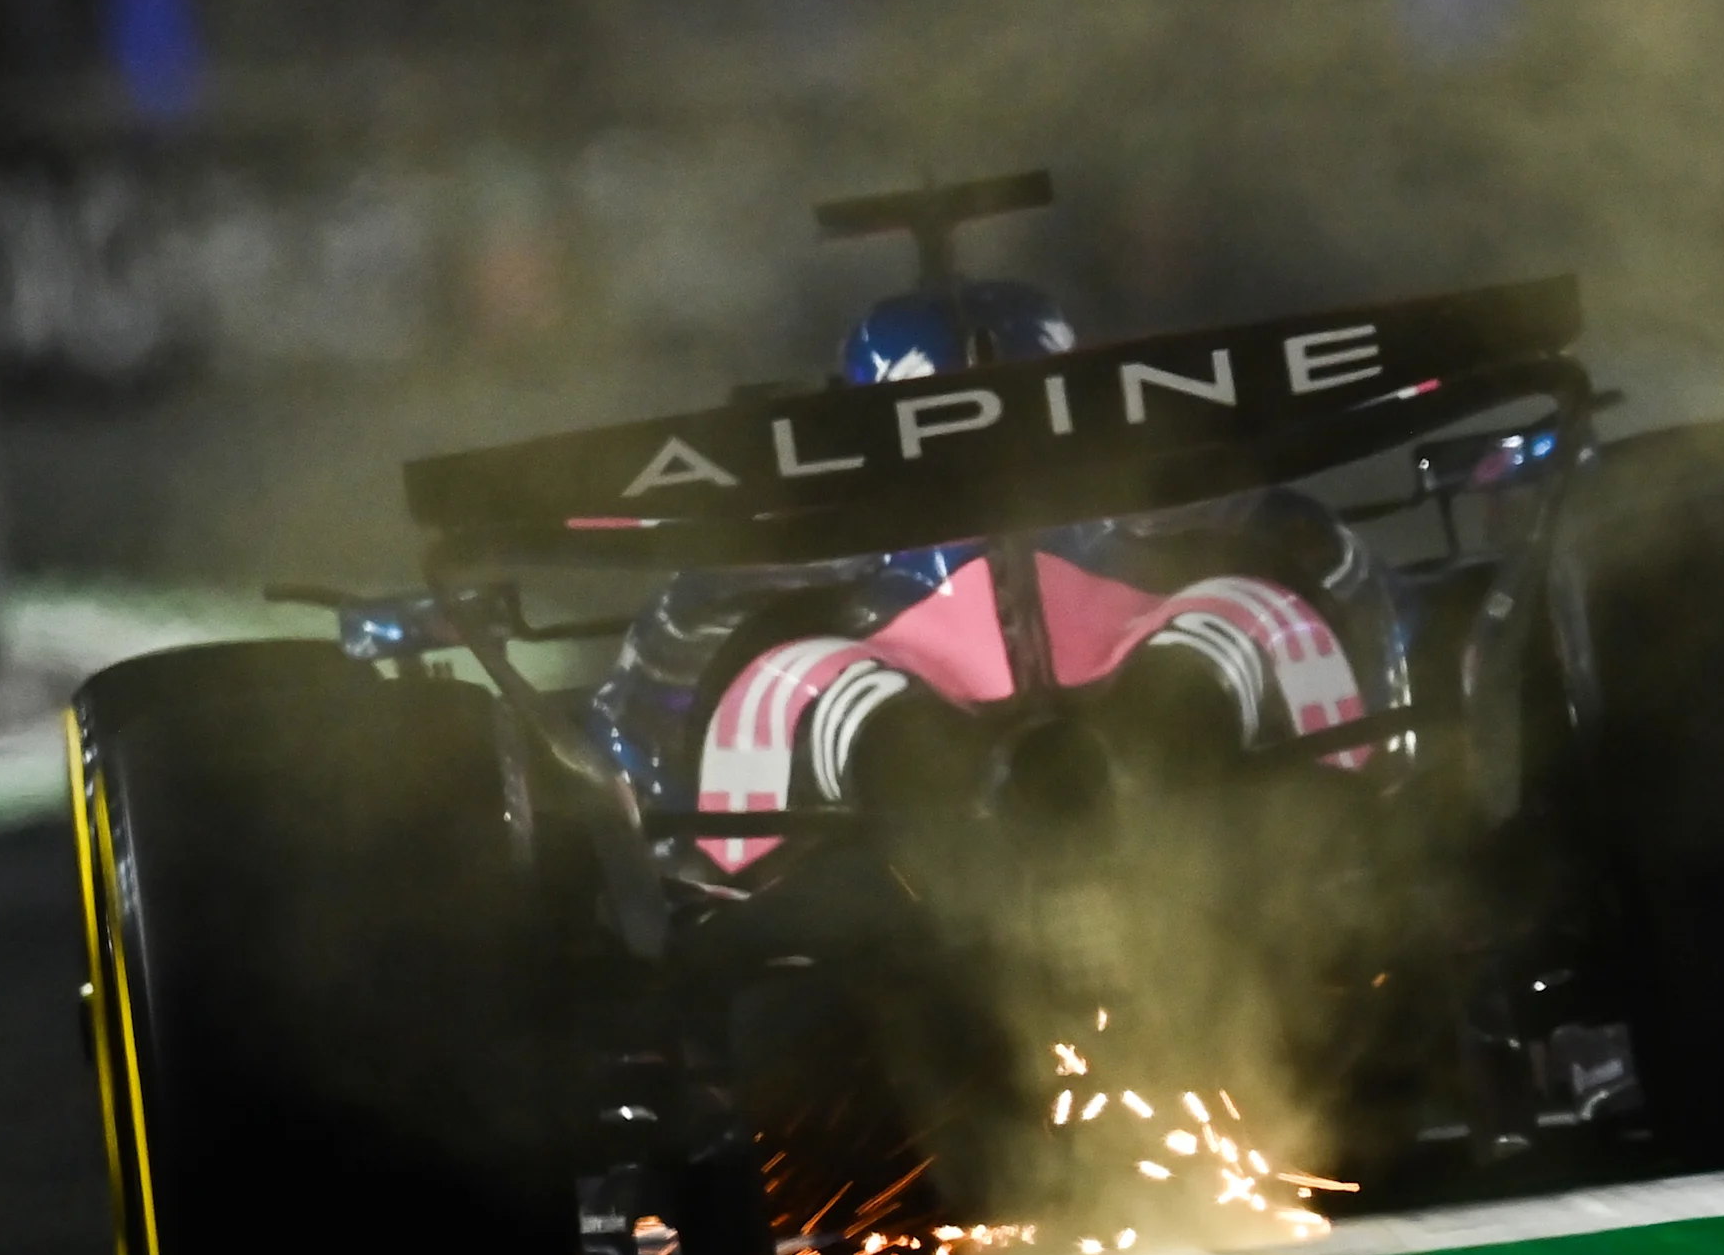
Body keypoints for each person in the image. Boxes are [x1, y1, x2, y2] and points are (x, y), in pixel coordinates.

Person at [585, 276, 1401, 879]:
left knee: (1213, 642)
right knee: (846, 703)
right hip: (896, 897)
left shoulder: (1241, 537)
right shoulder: (1253, 534)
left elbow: (634, 745)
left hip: (914, 883)